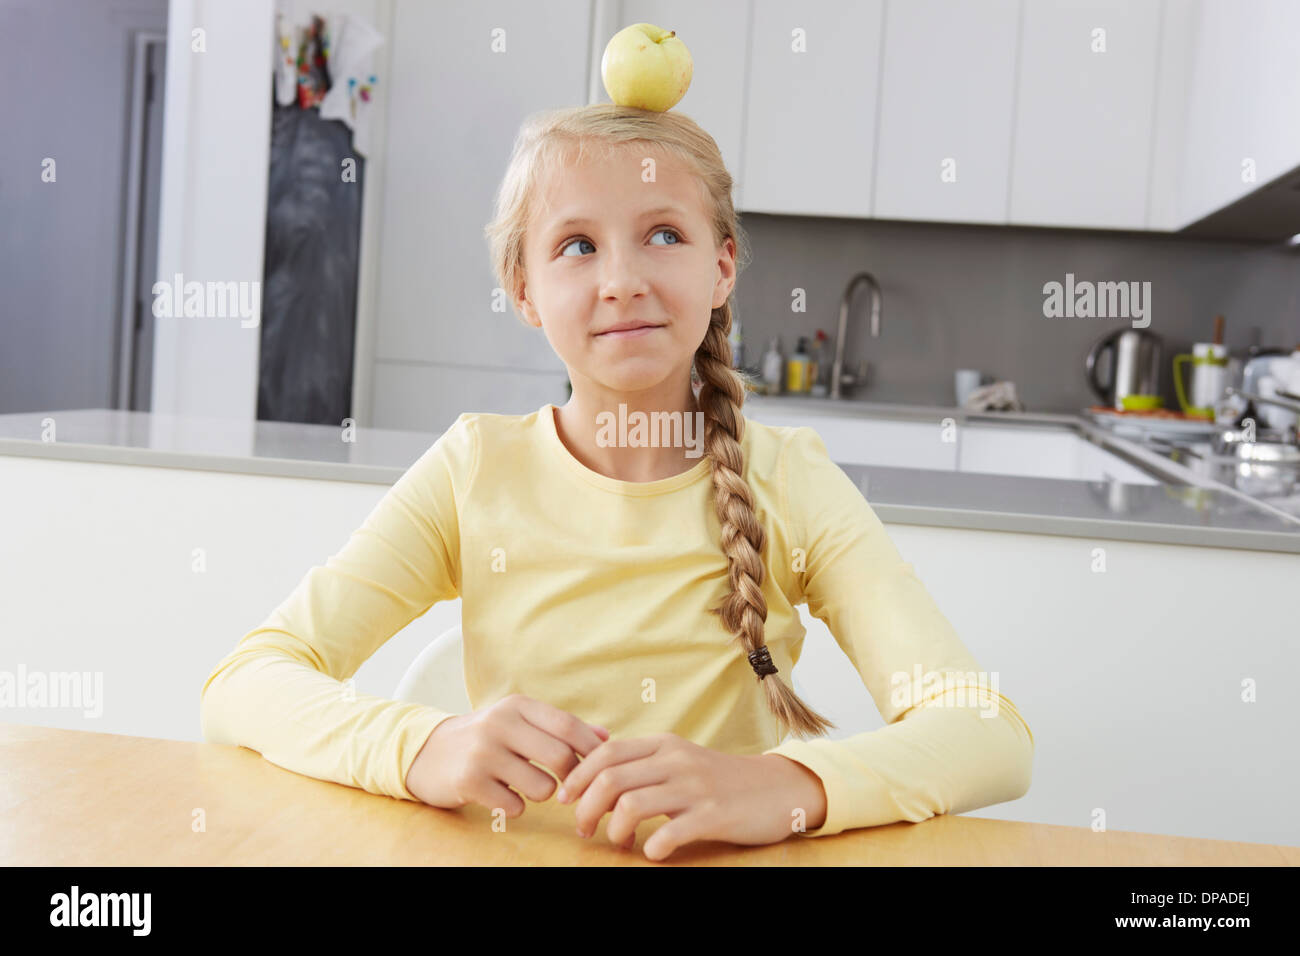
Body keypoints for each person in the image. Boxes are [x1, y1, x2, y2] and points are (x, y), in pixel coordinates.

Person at [201, 103, 1034, 862]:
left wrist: (785, 787)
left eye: (665, 235)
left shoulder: (794, 482)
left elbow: (987, 730)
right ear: (524, 291)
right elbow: (246, 682)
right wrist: (421, 749)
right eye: (577, 245)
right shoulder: (474, 470)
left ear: (722, 268)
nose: (622, 279)